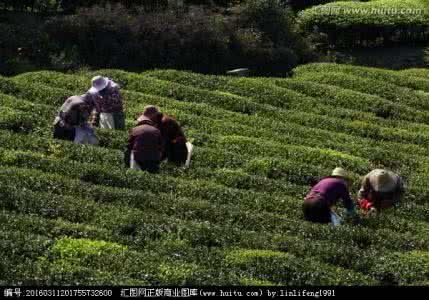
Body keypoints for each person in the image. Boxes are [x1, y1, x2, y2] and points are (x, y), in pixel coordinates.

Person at [125, 105, 163, 173]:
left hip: (137, 158)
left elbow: (128, 147)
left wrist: (127, 163)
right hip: (152, 160)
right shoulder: (157, 131)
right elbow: (160, 148)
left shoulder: (134, 129)